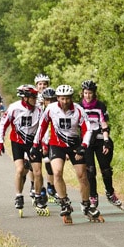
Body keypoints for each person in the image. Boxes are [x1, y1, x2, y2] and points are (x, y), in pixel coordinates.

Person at [33, 84, 100, 222]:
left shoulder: (78, 110)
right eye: (62, 99)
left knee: (82, 175)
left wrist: (84, 145)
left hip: (75, 145)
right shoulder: (51, 109)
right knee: (57, 172)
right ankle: (64, 203)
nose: (65, 102)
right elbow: (42, 127)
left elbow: (88, 129)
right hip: (56, 145)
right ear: (58, 98)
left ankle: (86, 205)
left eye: (67, 99)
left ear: (71, 98)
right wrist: (35, 145)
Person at [0, 85, 48, 216]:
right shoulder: (14, 108)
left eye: (36, 97)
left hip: (33, 143)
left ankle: (37, 196)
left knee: (37, 172)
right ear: (25, 98)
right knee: (20, 169)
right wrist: (0, 141)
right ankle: (19, 196)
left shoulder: (38, 110)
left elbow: (44, 127)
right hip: (17, 142)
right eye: (32, 97)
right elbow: (3, 124)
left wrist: (44, 143)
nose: (35, 99)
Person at [80, 80, 123, 210]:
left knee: (106, 169)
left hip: (99, 139)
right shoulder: (78, 107)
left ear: (94, 93)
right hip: (86, 141)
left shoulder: (100, 105)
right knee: (90, 170)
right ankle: (93, 195)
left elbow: (104, 124)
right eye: (86, 93)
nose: (87, 96)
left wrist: (106, 141)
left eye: (90, 93)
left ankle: (110, 193)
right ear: (82, 93)